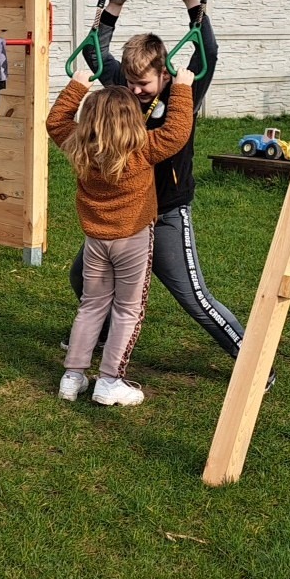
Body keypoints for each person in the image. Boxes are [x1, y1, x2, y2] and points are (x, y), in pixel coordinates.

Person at [72, 0, 259, 382]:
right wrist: (114, 6)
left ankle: (252, 360)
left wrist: (191, 1)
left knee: (192, 296)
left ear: (164, 73)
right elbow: (93, 52)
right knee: (79, 277)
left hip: (168, 211)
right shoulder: (123, 89)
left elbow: (207, 50)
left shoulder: (183, 91)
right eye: (130, 83)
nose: (135, 91)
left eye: (144, 84)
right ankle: (106, 340)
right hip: (127, 216)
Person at [47, 64, 197, 406]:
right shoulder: (142, 149)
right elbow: (177, 130)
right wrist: (183, 88)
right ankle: (110, 381)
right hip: (132, 240)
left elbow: (55, 122)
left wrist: (77, 85)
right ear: (132, 120)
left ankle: (72, 377)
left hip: (95, 241)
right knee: (128, 309)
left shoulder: (79, 146)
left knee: (92, 305)